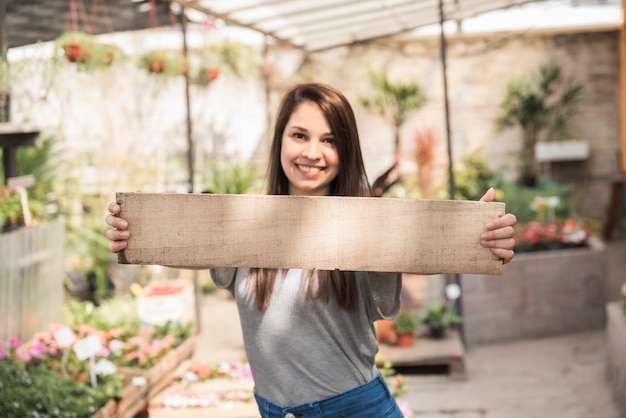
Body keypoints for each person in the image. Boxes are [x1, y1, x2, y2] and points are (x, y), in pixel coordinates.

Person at [105, 82, 517, 417]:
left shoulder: (367, 225)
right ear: (280, 140)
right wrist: (133, 233)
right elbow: (184, 246)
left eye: (330, 140)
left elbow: (423, 248)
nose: (312, 152)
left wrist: (479, 236)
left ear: (345, 152)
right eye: (299, 135)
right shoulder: (242, 225)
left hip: (355, 410)